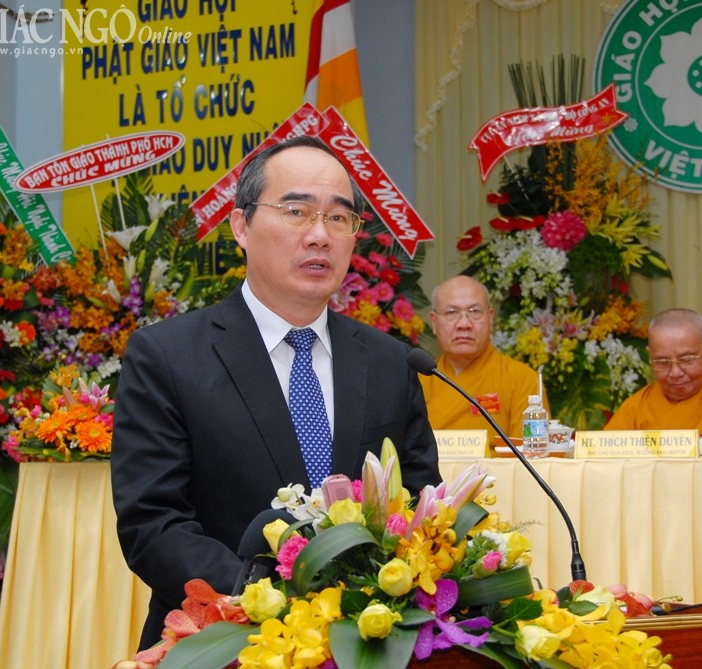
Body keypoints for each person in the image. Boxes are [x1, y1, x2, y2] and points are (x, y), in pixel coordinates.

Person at [111, 135, 441, 650]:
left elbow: (422, 504)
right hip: (222, 639)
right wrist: (277, 597)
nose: (319, 235)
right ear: (241, 226)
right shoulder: (167, 356)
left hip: (367, 641)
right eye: (296, 211)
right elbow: (153, 524)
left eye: (339, 218)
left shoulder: (392, 361)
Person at [418, 275, 546, 446]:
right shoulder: (418, 381)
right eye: (451, 313)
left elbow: (531, 458)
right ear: (434, 322)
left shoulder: (522, 380)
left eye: (474, 312)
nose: (464, 323)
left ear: (490, 318)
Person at [603, 308, 702, 436]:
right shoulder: (633, 411)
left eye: (687, 360)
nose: (675, 372)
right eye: (662, 362)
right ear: (650, 355)